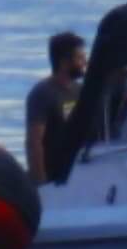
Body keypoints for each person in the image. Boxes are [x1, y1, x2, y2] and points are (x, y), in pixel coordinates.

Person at [25, 31, 87, 185]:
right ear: (64, 62)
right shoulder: (43, 93)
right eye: (80, 58)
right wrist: (40, 181)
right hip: (52, 178)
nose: (85, 62)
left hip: (75, 173)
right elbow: (34, 141)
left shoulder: (80, 91)